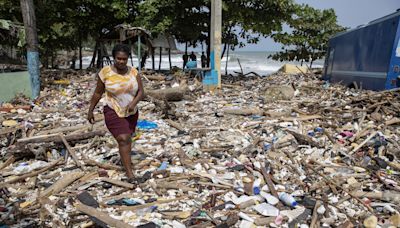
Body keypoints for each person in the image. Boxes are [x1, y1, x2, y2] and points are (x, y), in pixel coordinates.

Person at [87, 43, 144, 182]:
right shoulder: (105, 72)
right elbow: (98, 93)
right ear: (114, 58)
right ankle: (130, 174)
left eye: (124, 59)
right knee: (123, 139)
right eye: (118, 58)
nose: (121, 61)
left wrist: (133, 103)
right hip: (112, 109)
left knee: (127, 139)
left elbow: (141, 92)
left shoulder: (134, 72)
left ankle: (126, 161)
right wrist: (90, 111)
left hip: (131, 112)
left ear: (128, 59)